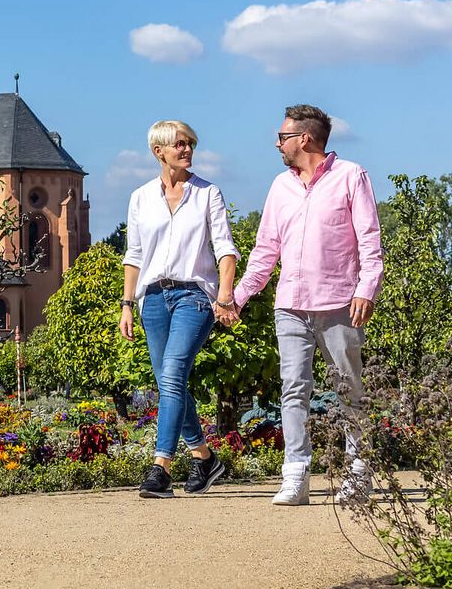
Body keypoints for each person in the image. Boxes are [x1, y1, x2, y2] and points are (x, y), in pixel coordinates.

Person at [222, 104, 383, 506]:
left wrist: (367, 289)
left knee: (349, 389)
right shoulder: (280, 186)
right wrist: (237, 297)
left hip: (340, 303)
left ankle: (359, 473)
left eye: (282, 137)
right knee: (294, 388)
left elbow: (370, 241)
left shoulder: (351, 176)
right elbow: (265, 251)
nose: (278, 144)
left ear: (304, 139)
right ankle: (296, 476)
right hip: (290, 305)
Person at [121, 119, 239, 498]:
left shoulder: (207, 193)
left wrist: (224, 295)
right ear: (159, 151)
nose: (187, 149)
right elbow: (134, 255)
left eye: (190, 143)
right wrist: (127, 303)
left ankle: (161, 468)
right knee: (168, 382)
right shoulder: (140, 197)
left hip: (194, 296)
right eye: (179, 144)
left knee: (172, 374)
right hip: (152, 298)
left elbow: (225, 248)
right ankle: (205, 459)